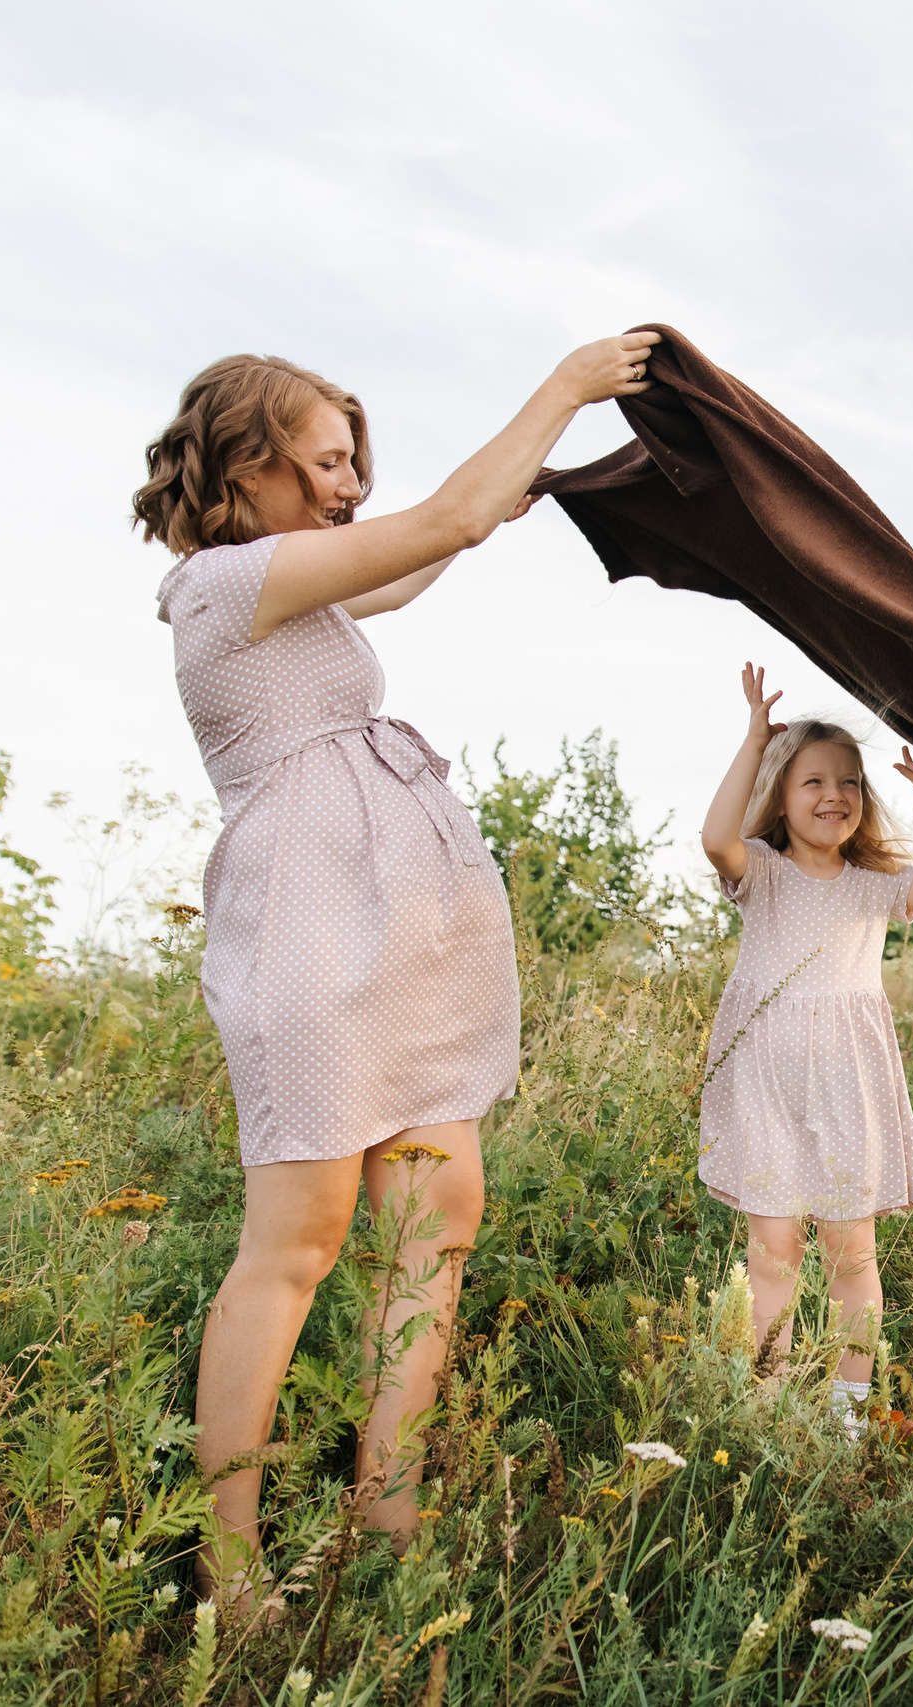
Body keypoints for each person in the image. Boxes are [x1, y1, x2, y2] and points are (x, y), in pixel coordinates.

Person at [131, 330, 659, 1609]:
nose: (347, 486)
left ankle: (390, 1513)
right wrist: (568, 386)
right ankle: (234, 1561)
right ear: (241, 466)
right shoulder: (220, 586)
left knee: (439, 1226)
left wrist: (538, 484)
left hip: (412, 944)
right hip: (310, 939)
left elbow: (420, 560)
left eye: (353, 465)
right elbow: (446, 522)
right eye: (323, 463)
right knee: (297, 1245)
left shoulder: (295, 585)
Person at [696, 664, 913, 1436]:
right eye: (814, 781)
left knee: (852, 1257)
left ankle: (848, 1422)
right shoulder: (763, 872)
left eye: (850, 783)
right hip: (765, 1081)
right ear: (783, 796)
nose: (834, 796)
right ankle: (764, 1407)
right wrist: (756, 740)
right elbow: (715, 836)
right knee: (773, 1253)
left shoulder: (873, 884)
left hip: (849, 1083)